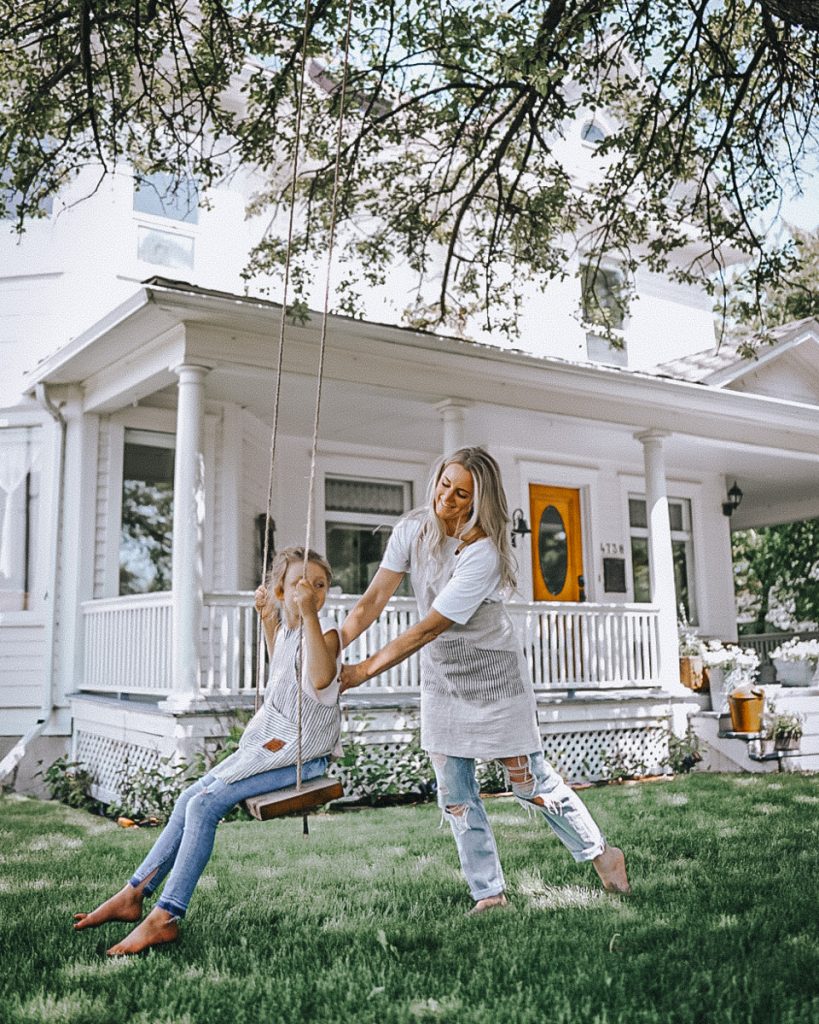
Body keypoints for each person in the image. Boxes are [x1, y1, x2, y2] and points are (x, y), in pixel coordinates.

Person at [340, 446, 630, 913]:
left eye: (461, 494)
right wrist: (335, 645)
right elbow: (373, 599)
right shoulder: (411, 532)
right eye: (444, 485)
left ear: (480, 502)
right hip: (443, 681)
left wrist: (361, 671)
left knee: (530, 784)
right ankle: (488, 893)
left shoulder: (483, 553)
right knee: (456, 795)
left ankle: (602, 854)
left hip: (495, 681)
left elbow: (431, 626)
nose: (446, 499)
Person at [73, 546, 342, 954]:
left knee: (204, 807)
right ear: (281, 591)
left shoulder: (326, 636)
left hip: (302, 756)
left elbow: (319, 676)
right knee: (188, 798)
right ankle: (133, 894)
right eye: (300, 584)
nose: (312, 591)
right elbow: (285, 670)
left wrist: (308, 613)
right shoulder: (290, 632)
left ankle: (165, 916)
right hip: (273, 746)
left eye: (319, 584)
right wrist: (269, 618)